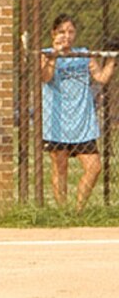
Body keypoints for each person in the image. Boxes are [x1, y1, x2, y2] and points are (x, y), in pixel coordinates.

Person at [39, 14, 115, 209]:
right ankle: (62, 211)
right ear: (53, 34)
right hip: (57, 121)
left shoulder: (83, 54)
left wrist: (112, 58)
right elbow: (46, 77)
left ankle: (78, 210)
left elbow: (101, 78)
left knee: (94, 167)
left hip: (82, 122)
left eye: (71, 32)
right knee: (60, 167)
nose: (67, 36)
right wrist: (55, 55)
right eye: (62, 32)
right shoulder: (46, 54)